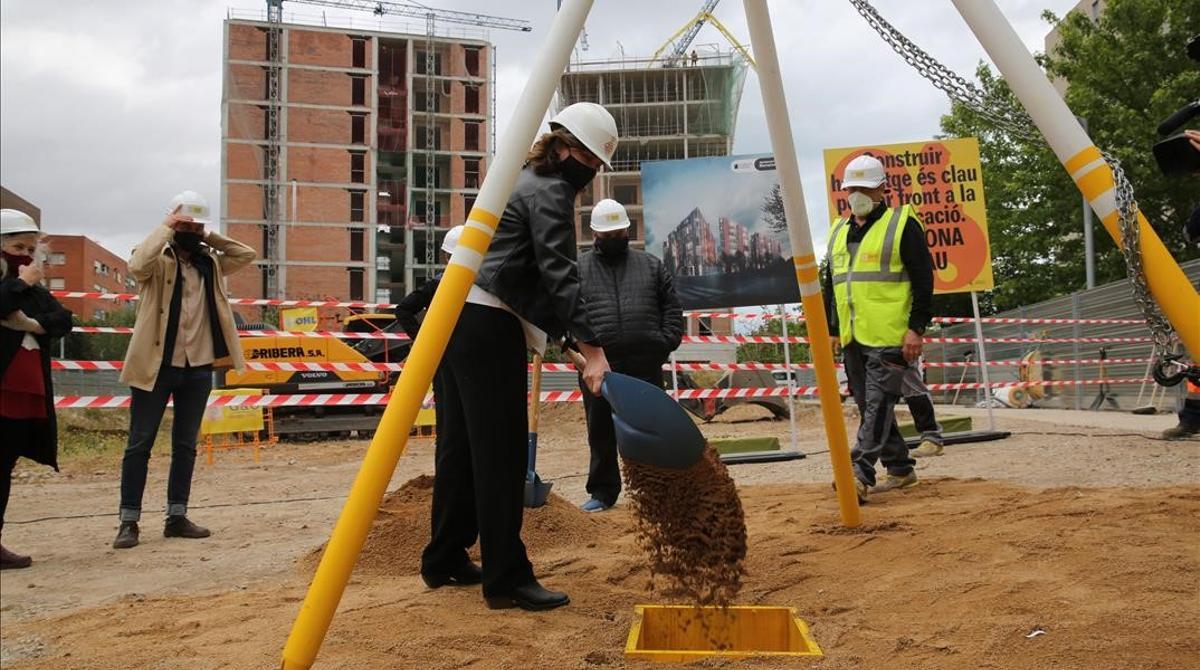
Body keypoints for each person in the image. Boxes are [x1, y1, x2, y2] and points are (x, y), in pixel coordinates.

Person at [420, 102, 616, 612]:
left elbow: (522, 278)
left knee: (461, 447)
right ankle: (506, 578)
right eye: (593, 163)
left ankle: (444, 555)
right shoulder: (550, 191)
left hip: (459, 316)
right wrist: (594, 351)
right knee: (502, 454)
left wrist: (568, 341)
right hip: (487, 326)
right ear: (567, 148)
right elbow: (559, 273)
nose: (592, 174)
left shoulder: (523, 181)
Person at [112, 191, 256, 549]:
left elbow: (246, 254)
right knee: (139, 444)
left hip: (197, 367)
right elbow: (136, 266)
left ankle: (177, 516)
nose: (190, 230)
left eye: (196, 225)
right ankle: (128, 521)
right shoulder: (157, 259)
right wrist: (167, 226)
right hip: (155, 366)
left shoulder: (211, 263)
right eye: (185, 224)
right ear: (173, 224)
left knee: (186, 445)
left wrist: (208, 235)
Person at [823, 154, 934, 503]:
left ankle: (858, 473)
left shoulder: (902, 225)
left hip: (890, 336)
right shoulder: (838, 230)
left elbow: (923, 281)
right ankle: (901, 470)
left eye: (864, 188)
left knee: (877, 405)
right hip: (853, 335)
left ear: (882, 188)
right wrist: (832, 329)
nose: (857, 194)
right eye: (852, 188)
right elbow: (832, 283)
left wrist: (916, 329)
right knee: (869, 405)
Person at [575, 199, 683, 512]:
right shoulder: (578, 269)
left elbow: (672, 309)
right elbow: (566, 313)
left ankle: (655, 492)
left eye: (617, 232)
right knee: (600, 431)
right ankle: (603, 492)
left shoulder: (651, 265)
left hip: (645, 363)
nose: (612, 239)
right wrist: (580, 354)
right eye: (606, 234)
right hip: (600, 366)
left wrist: (663, 343)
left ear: (627, 230)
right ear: (595, 234)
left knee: (649, 429)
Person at [0, 210, 72, 569]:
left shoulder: (35, 291)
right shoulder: (18, 285)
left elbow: (64, 320)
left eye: (31, 248)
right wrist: (19, 285)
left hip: (26, 390)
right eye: (17, 247)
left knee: (4, 466)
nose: (26, 256)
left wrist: (32, 324)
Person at [903, 357, 945, 457]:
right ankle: (875, 446)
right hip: (863, 349)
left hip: (895, 347)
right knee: (871, 394)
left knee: (912, 386)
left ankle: (932, 438)